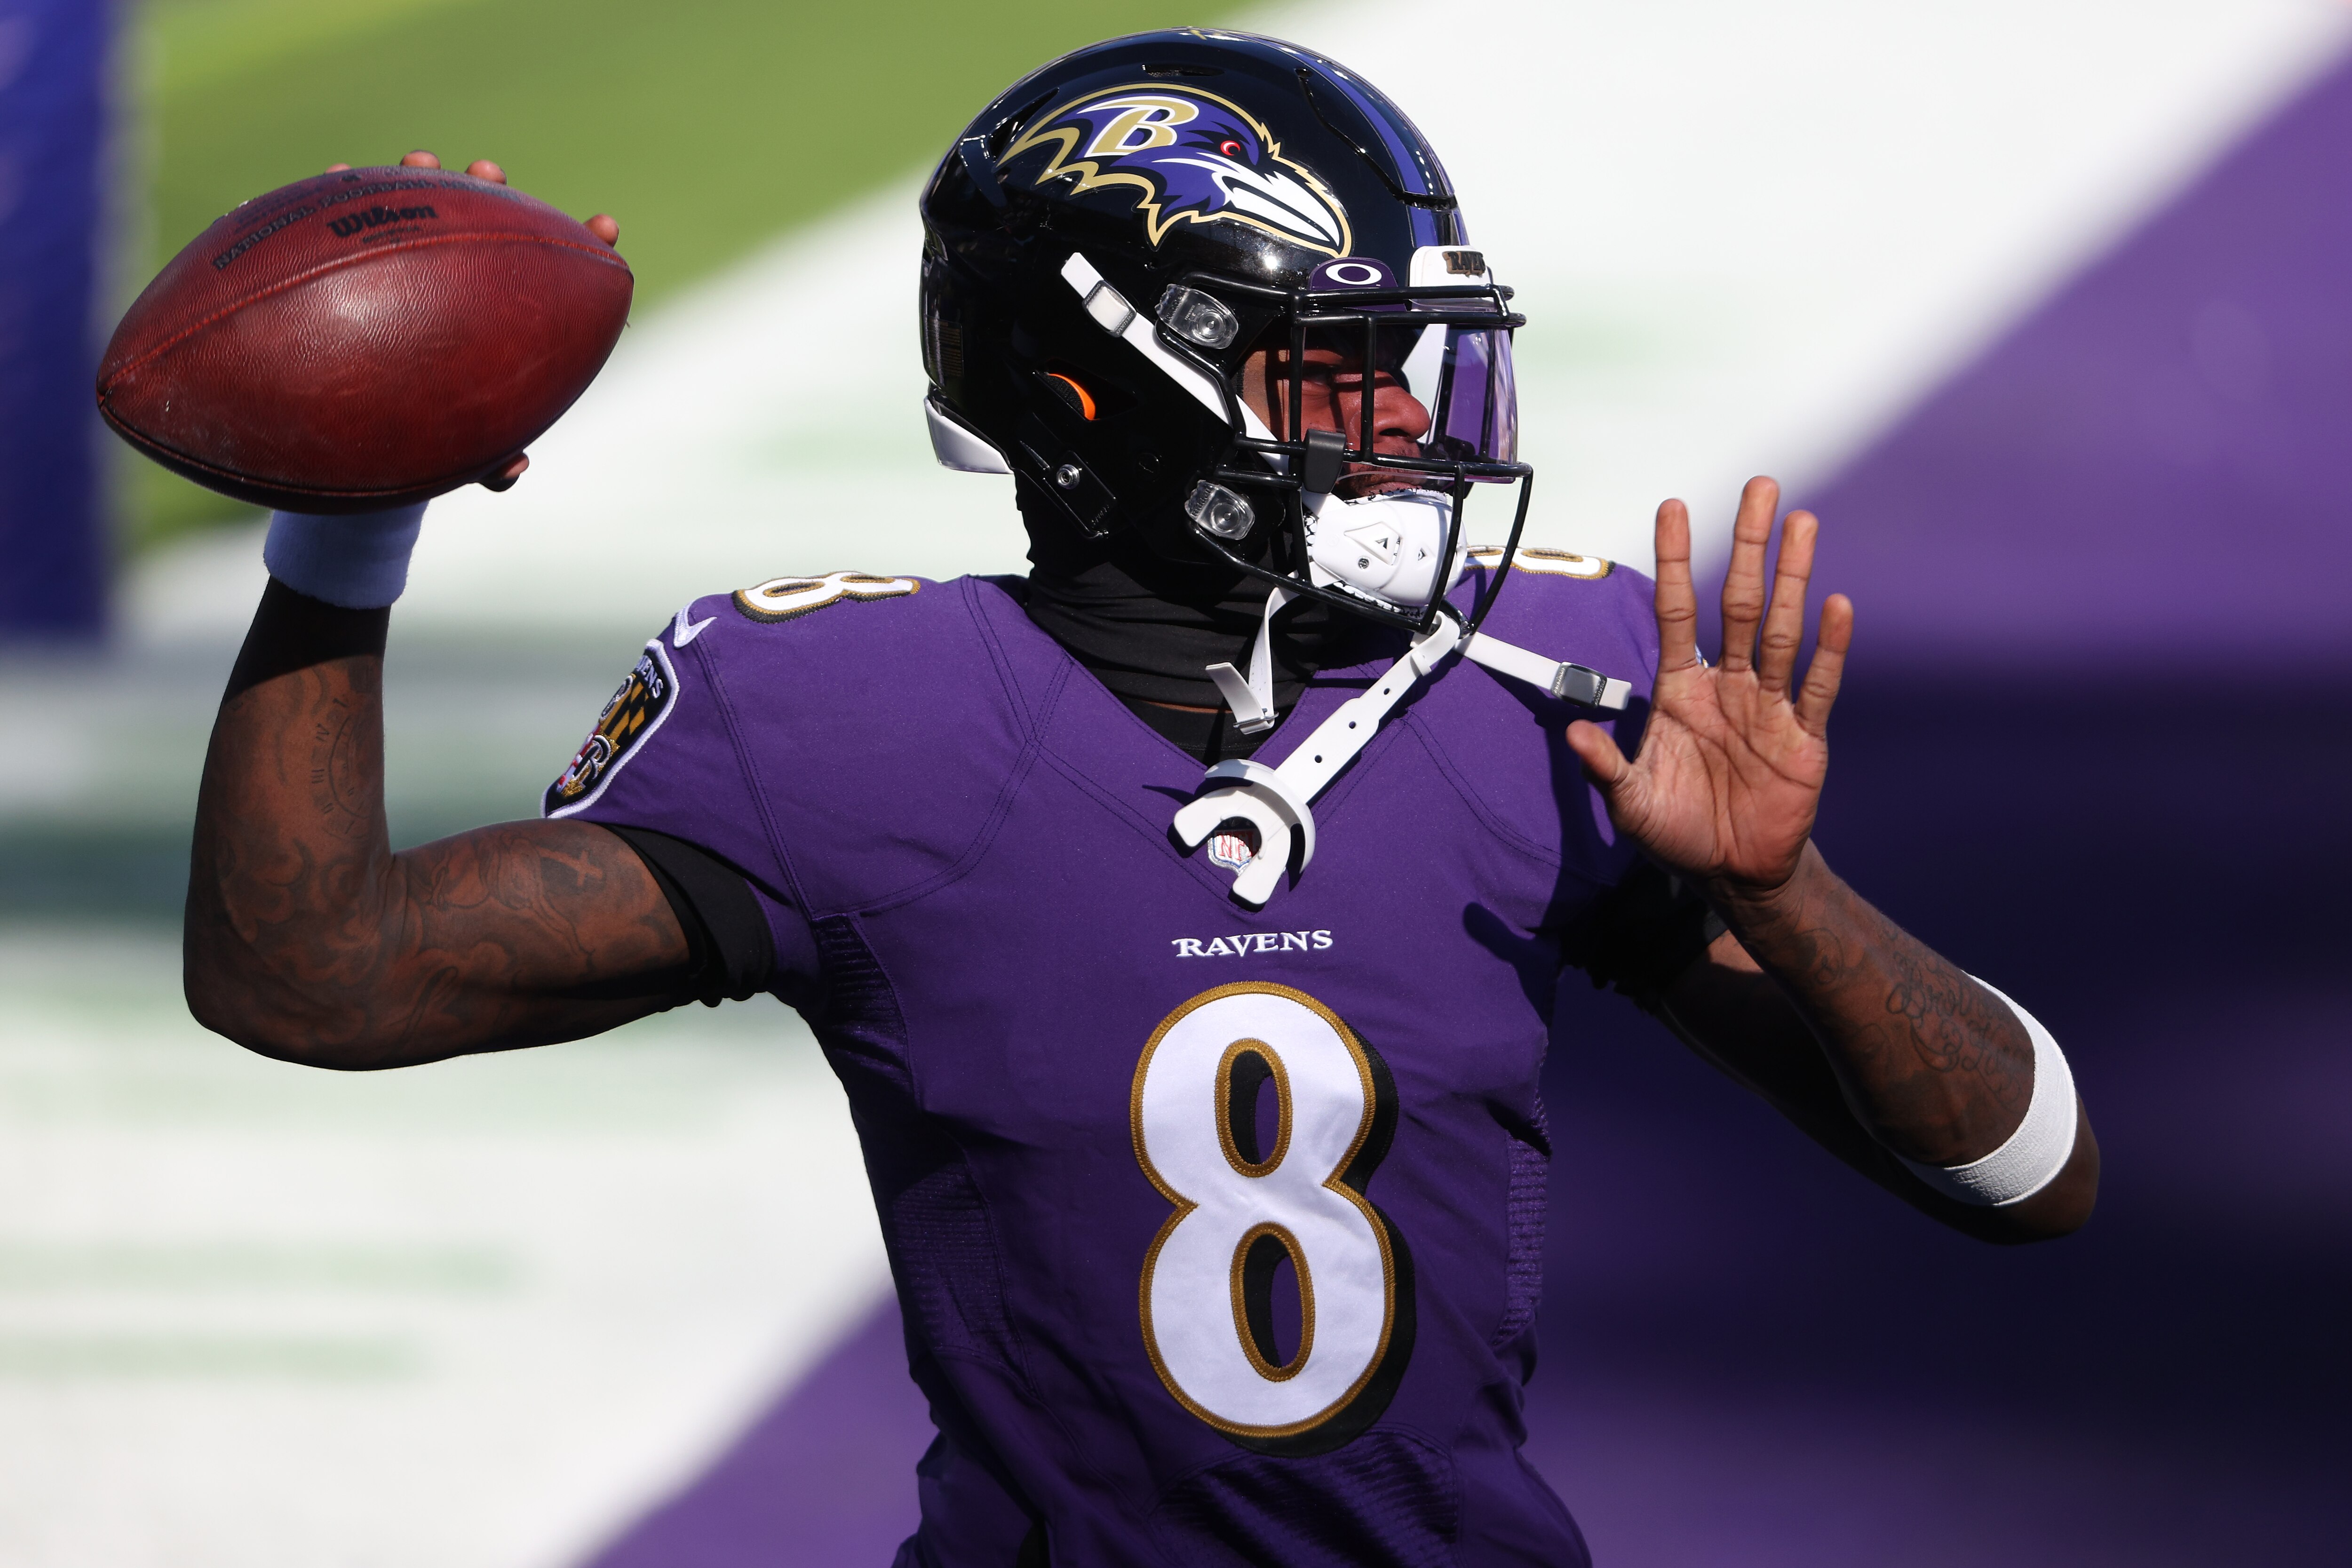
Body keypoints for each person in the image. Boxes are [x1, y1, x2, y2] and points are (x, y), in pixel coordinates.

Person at [183, 29, 2097, 1568]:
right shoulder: (851, 719)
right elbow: (310, 975)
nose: (1406, 423)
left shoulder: (1549, 700)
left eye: (1410, 363)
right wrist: (349, 533)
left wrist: (1790, 900)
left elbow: (2030, 1182)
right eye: (1328, 369)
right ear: (1103, 392)